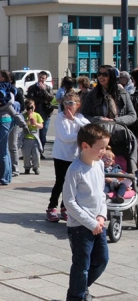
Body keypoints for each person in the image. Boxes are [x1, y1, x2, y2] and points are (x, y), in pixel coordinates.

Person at [63, 123, 110, 301]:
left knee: (101, 260)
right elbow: (69, 202)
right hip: (80, 227)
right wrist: (90, 222)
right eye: (101, 148)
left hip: (98, 223)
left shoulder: (98, 165)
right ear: (85, 146)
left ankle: (80, 289)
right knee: (82, 265)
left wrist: (101, 215)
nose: (104, 152)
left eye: (106, 147)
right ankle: (74, 299)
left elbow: (101, 194)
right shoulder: (75, 169)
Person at [48, 91, 90, 222]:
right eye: (65, 102)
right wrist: (82, 136)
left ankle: (64, 208)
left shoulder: (80, 117)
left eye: (71, 103)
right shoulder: (60, 117)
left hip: (75, 156)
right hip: (61, 156)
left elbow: (90, 128)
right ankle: (51, 207)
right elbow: (65, 137)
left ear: (78, 105)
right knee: (60, 182)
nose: (67, 106)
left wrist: (75, 120)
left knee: (71, 184)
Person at [26, 71, 55, 154]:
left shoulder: (48, 88)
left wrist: (44, 90)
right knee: (31, 134)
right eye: (40, 77)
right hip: (34, 113)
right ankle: (31, 152)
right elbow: (30, 99)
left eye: (43, 78)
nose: (41, 79)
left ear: (46, 79)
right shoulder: (32, 88)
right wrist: (43, 101)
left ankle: (40, 152)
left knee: (43, 135)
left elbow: (53, 100)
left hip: (46, 114)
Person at [21, 99, 44, 175]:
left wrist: (35, 123)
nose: (30, 109)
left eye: (32, 107)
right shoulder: (23, 115)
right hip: (26, 137)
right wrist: (28, 119)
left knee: (36, 154)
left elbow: (41, 126)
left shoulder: (37, 115)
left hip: (35, 137)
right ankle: (27, 167)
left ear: (34, 107)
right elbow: (22, 126)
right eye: (28, 107)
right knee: (26, 154)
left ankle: (36, 167)